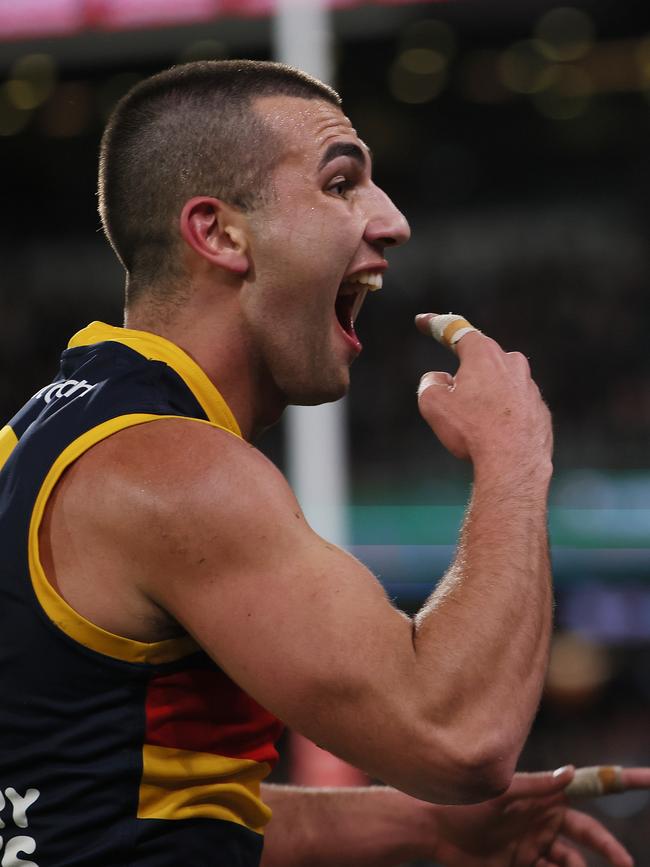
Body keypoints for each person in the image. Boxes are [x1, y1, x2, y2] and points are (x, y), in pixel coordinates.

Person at [0, 59, 646, 867]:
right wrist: (514, 454)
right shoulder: (173, 470)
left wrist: (424, 826)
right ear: (220, 233)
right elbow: (458, 738)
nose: (393, 220)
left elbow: (143, 808)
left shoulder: (40, 438)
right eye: (341, 184)